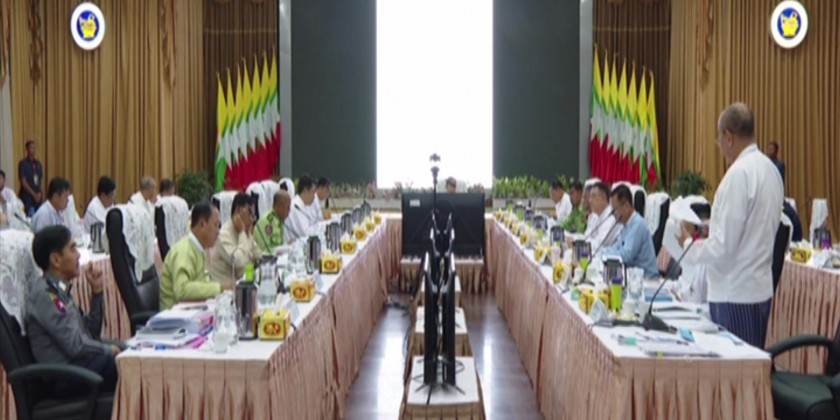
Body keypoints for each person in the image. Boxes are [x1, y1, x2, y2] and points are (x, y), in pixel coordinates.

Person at [678, 103, 783, 348]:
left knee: (734, 366)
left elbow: (722, 247)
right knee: (750, 364)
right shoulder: (771, 170)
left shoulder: (737, 175)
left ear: (728, 137)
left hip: (733, 293)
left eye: (719, 140)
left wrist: (688, 244)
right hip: (758, 289)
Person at [25, 225, 121, 396]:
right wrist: (107, 350)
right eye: (72, 249)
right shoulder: (47, 296)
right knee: (122, 364)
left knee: (130, 353)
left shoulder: (60, 290)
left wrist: (97, 291)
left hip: (79, 367)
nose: (78, 255)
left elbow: (90, 332)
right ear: (56, 260)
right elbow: (75, 346)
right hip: (64, 376)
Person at [159, 203, 222, 310]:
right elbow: (182, 290)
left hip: (193, 311)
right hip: (175, 316)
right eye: (215, 225)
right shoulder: (184, 250)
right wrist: (220, 288)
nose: (218, 232)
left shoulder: (198, 249)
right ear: (202, 224)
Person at [602, 185, 658, 278]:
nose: (613, 214)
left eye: (615, 209)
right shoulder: (626, 225)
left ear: (626, 206)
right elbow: (617, 247)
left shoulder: (638, 224)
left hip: (647, 279)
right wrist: (603, 252)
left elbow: (626, 256)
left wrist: (605, 255)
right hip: (633, 276)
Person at [210, 194, 262, 288]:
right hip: (224, 292)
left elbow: (257, 254)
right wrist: (242, 233)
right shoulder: (223, 235)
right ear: (237, 212)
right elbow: (239, 263)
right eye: (249, 214)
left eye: (253, 216)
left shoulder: (246, 232)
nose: (252, 220)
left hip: (243, 287)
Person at [672, 202, 711, 303]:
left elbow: (696, 297)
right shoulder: (692, 251)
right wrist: (671, 289)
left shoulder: (705, 256)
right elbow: (684, 281)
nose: (682, 233)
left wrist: (679, 296)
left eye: (685, 228)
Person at [583, 182, 619, 253]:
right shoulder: (595, 215)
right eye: (590, 197)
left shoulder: (611, 218)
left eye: (593, 196)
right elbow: (587, 235)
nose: (590, 200)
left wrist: (581, 242)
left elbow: (600, 245)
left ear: (603, 198)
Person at [286, 174, 319, 240]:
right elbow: (305, 233)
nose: (314, 196)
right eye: (313, 192)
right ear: (305, 190)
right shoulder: (296, 206)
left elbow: (314, 222)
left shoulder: (305, 205)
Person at [18, 140, 44, 215]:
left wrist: (39, 193)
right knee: (29, 217)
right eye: (31, 148)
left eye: (34, 148)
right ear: (27, 149)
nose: (33, 150)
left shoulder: (38, 164)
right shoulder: (23, 164)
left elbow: (40, 180)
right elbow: (23, 182)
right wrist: (34, 194)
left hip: (38, 197)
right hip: (27, 197)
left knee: (38, 216)